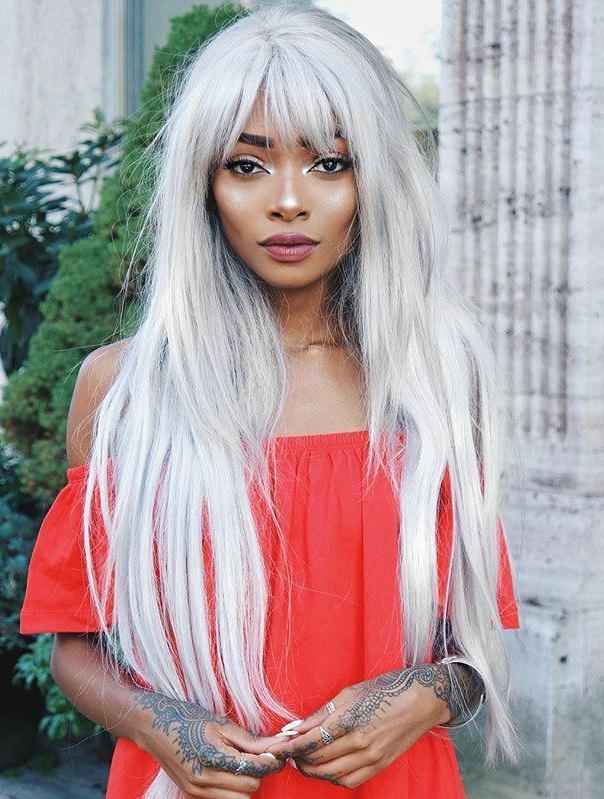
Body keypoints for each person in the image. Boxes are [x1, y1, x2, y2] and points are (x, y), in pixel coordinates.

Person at [19, 3, 522, 797]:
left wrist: (428, 693)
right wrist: (161, 724)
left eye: (330, 162)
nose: (289, 200)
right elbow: (74, 645)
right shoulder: (123, 389)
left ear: (374, 180)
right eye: (247, 165)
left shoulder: (436, 383)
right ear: (204, 185)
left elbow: (471, 645)